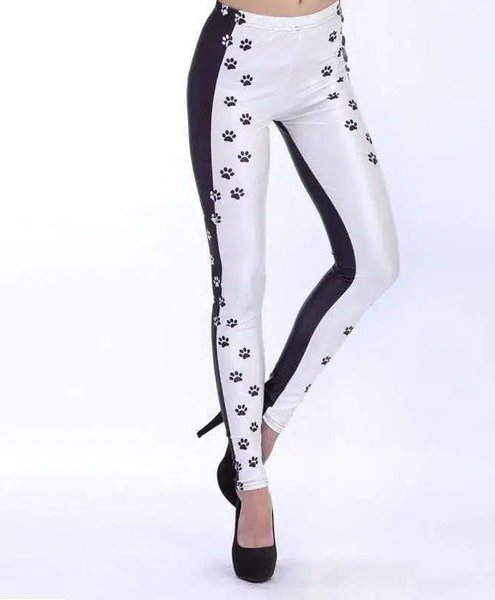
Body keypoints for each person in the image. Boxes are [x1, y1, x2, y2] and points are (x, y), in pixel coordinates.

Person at [186, 0, 400, 582]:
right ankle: (251, 486)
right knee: (241, 284)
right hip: (239, 60)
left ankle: (263, 427)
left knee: (374, 264)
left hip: (323, 61)